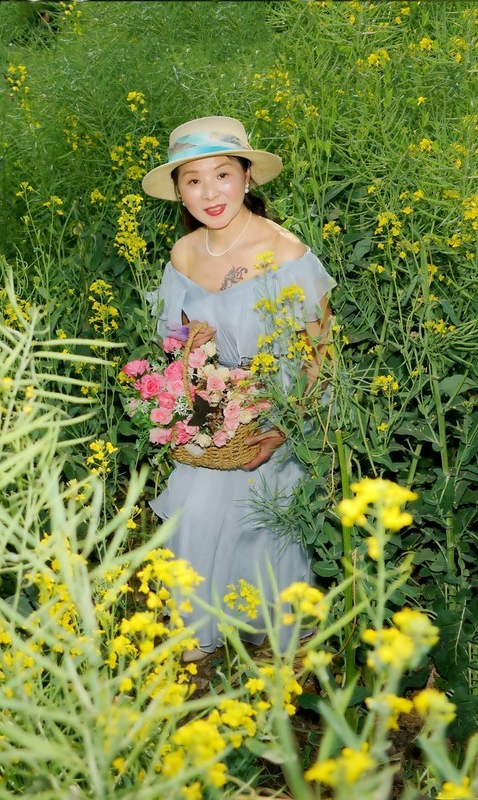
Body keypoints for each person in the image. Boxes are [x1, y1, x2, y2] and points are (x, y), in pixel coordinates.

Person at [140, 115, 336, 662]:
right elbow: (177, 347)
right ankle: (200, 627)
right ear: (179, 191)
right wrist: (190, 367)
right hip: (215, 416)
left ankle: (271, 630)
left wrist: (278, 430)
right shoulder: (183, 256)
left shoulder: (288, 253)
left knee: (256, 509)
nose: (210, 192)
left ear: (247, 177)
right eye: (193, 180)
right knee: (198, 502)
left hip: (283, 410)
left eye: (222, 174)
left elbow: (322, 353)